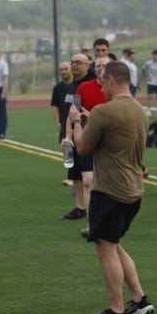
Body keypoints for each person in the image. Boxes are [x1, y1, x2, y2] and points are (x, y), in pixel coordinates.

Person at [67, 60, 152, 314]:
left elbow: (82, 147)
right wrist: (90, 121)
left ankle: (116, 312)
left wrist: (76, 123)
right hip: (133, 189)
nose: (100, 86)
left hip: (110, 190)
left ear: (113, 80)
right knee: (113, 244)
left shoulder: (104, 111)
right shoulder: (140, 109)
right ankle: (139, 299)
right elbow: (118, 139)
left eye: (103, 81)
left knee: (105, 248)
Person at [62, 54, 95, 221]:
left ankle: (91, 211)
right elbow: (69, 111)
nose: (74, 65)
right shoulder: (71, 85)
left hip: (85, 134)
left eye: (78, 63)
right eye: (72, 62)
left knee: (88, 175)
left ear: (87, 65)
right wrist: (66, 136)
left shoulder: (91, 83)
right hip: (71, 133)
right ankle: (80, 207)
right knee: (75, 173)